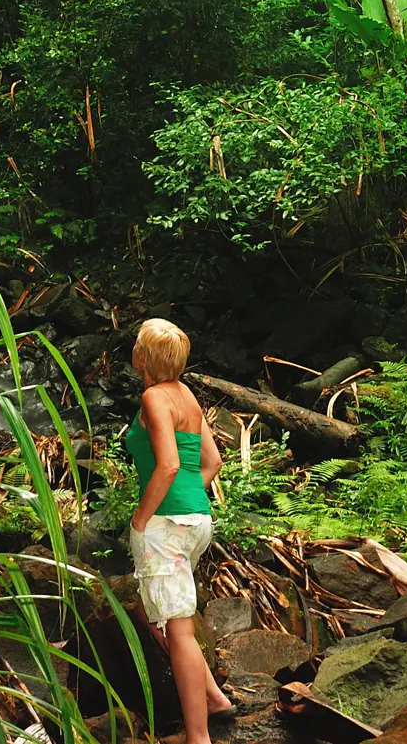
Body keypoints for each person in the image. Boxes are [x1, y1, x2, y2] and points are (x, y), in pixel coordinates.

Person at [124, 318, 234, 744]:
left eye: (137, 345)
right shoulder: (185, 395)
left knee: (178, 629)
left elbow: (169, 464)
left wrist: (142, 518)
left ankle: (198, 736)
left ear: (143, 357)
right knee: (160, 614)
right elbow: (213, 462)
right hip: (196, 520)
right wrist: (187, 504)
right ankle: (215, 698)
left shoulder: (153, 397)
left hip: (165, 524)